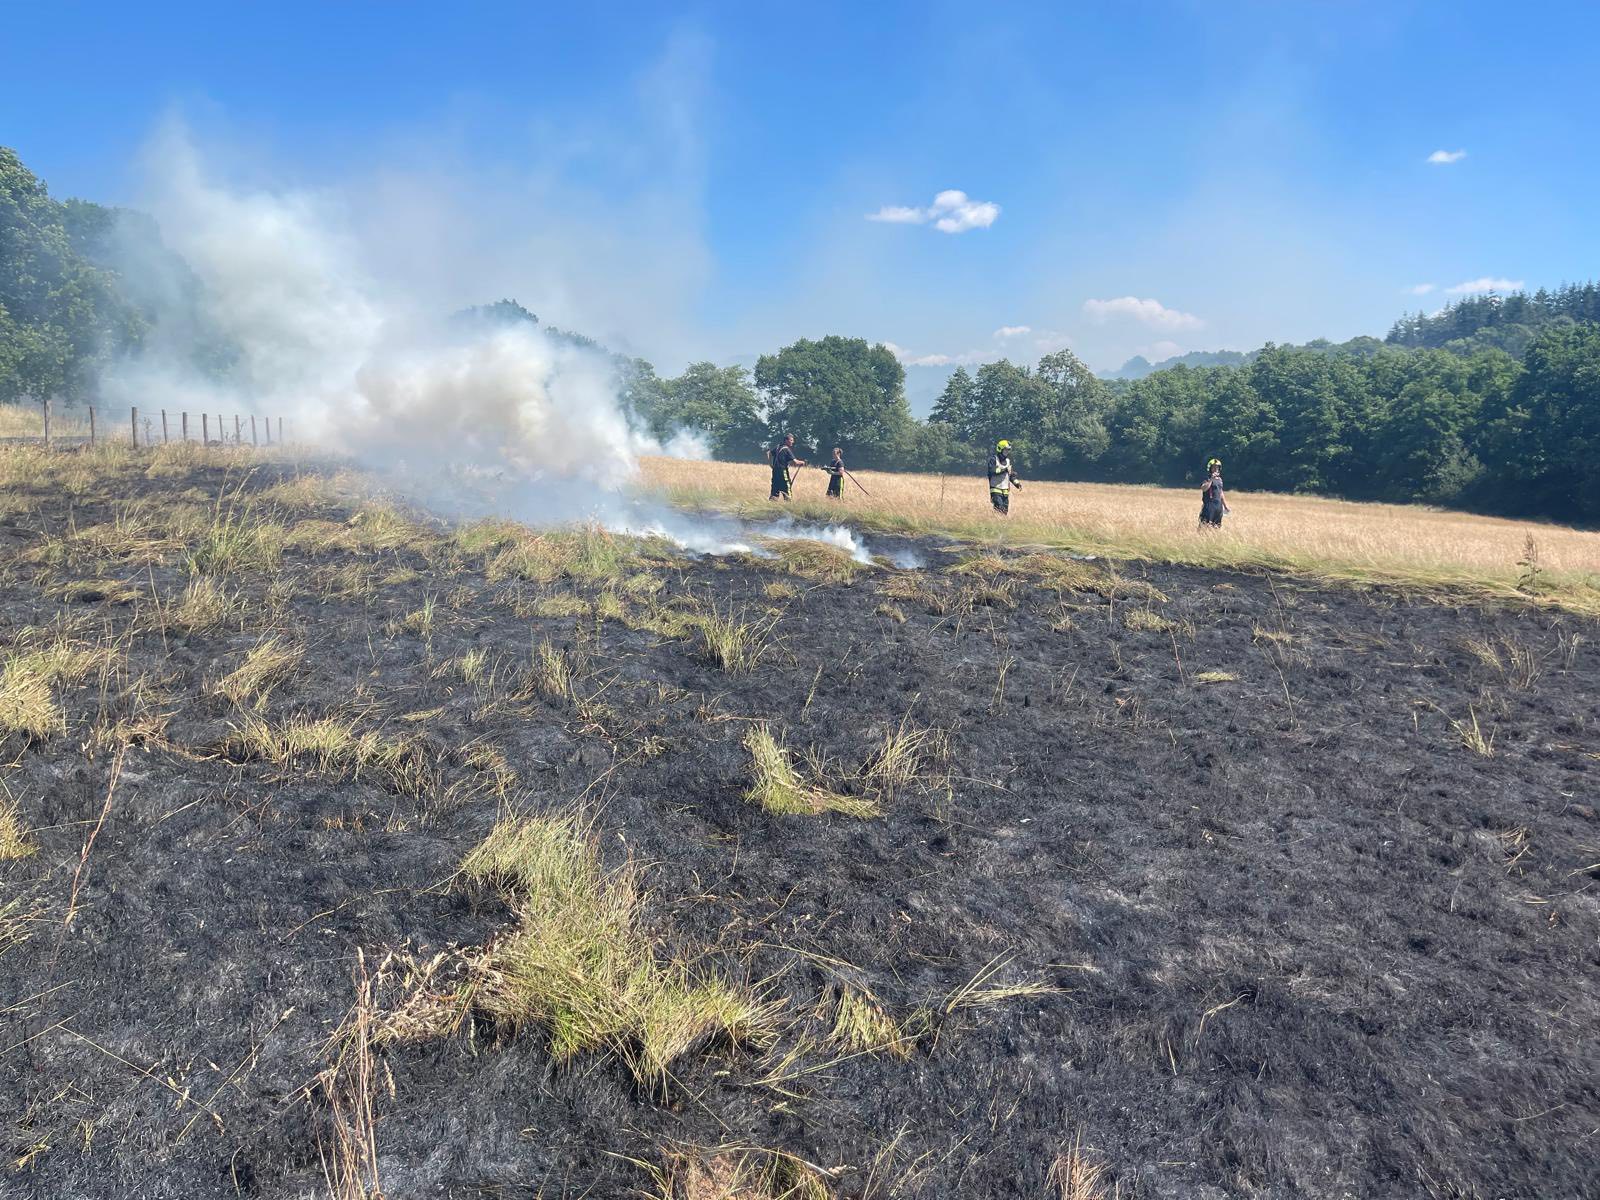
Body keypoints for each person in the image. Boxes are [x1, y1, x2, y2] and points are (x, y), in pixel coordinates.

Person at [988, 439, 1021, 514]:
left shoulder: (1008, 461)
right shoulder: (993, 459)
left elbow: (1010, 474)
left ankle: (997, 521)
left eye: (1008, 450)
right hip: (995, 489)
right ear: (1000, 449)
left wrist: (1016, 483)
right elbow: (992, 471)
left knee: (1005, 512)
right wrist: (1005, 470)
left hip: (1005, 491)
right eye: (1005, 450)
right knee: (999, 508)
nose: (1007, 452)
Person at [768, 434, 805, 501]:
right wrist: (802, 462)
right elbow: (796, 462)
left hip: (775, 471)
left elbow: (769, 453)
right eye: (791, 440)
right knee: (787, 487)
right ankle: (788, 502)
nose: (792, 442)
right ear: (786, 440)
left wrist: (770, 464)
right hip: (783, 471)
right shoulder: (786, 449)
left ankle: (772, 502)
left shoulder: (777, 447)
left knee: (775, 488)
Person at [1199, 458, 1230, 529]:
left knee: (1216, 528)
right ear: (1210, 468)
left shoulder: (1220, 480)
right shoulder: (1206, 478)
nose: (1216, 469)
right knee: (1204, 527)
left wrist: (1225, 506)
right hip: (1209, 506)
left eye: (1217, 467)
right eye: (1214, 467)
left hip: (1218, 507)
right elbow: (1204, 488)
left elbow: (1221, 493)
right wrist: (1211, 479)